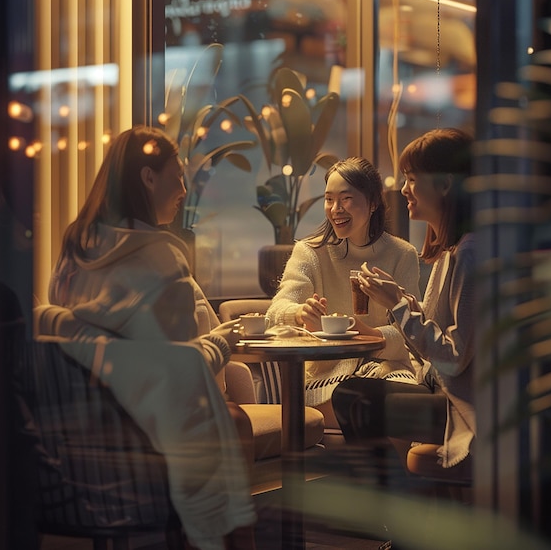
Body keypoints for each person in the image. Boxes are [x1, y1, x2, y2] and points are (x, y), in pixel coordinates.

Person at [47, 125, 255, 550]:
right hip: (142, 438)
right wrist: (222, 341)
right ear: (148, 177)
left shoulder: (74, 249)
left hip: (76, 441)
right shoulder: (159, 258)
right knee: (234, 422)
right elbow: (175, 371)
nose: (183, 188)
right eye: (177, 175)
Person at [331, 127, 475, 484]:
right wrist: (400, 300)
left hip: (468, 407)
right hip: (443, 390)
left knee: (356, 399)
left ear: (443, 184)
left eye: (411, 179)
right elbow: (438, 339)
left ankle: (398, 521)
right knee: (352, 393)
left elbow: (454, 357)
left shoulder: (470, 253)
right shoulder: (452, 250)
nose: (404, 189)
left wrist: (398, 305)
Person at [266, 156, 421, 410]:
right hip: (328, 375)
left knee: (394, 399)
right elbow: (274, 314)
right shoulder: (311, 252)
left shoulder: (401, 254)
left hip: (388, 370)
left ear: (372, 203)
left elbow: (411, 334)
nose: (336, 209)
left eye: (346, 199)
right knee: (361, 400)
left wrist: (370, 334)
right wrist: (299, 313)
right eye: (329, 199)